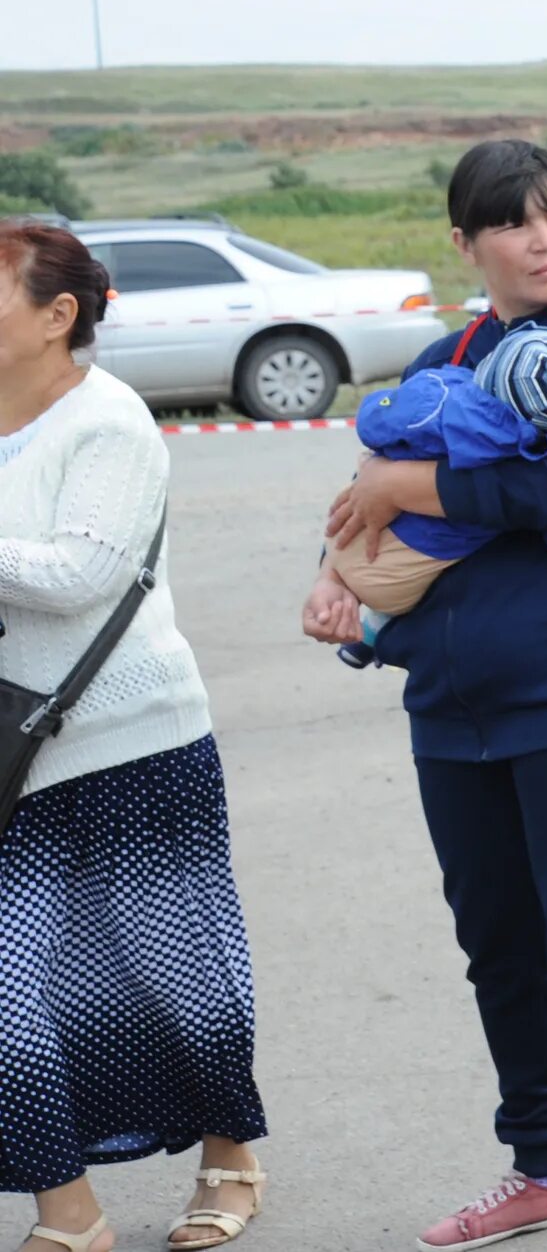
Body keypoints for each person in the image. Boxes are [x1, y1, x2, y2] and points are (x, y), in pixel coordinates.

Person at [299, 140, 547, 1252]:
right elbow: (388, 511)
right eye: (517, 223)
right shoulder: (452, 349)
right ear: (466, 245)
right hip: (455, 702)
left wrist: (398, 480)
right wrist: (341, 587)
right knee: (501, 947)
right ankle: (543, 1169)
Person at [0, 223, 271, 1252]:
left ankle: (230, 1155)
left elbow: (80, 576)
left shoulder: (109, 422)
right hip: (11, 761)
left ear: (57, 315)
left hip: (133, 744)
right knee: (10, 984)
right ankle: (69, 1212)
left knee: (173, 974)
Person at [323, 325, 547, 663]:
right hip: (403, 576)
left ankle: (357, 620)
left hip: (354, 537)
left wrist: (385, 424)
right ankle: (369, 634)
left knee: (371, 461)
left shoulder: (436, 395)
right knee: (418, 585)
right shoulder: (530, 455)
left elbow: (372, 424)